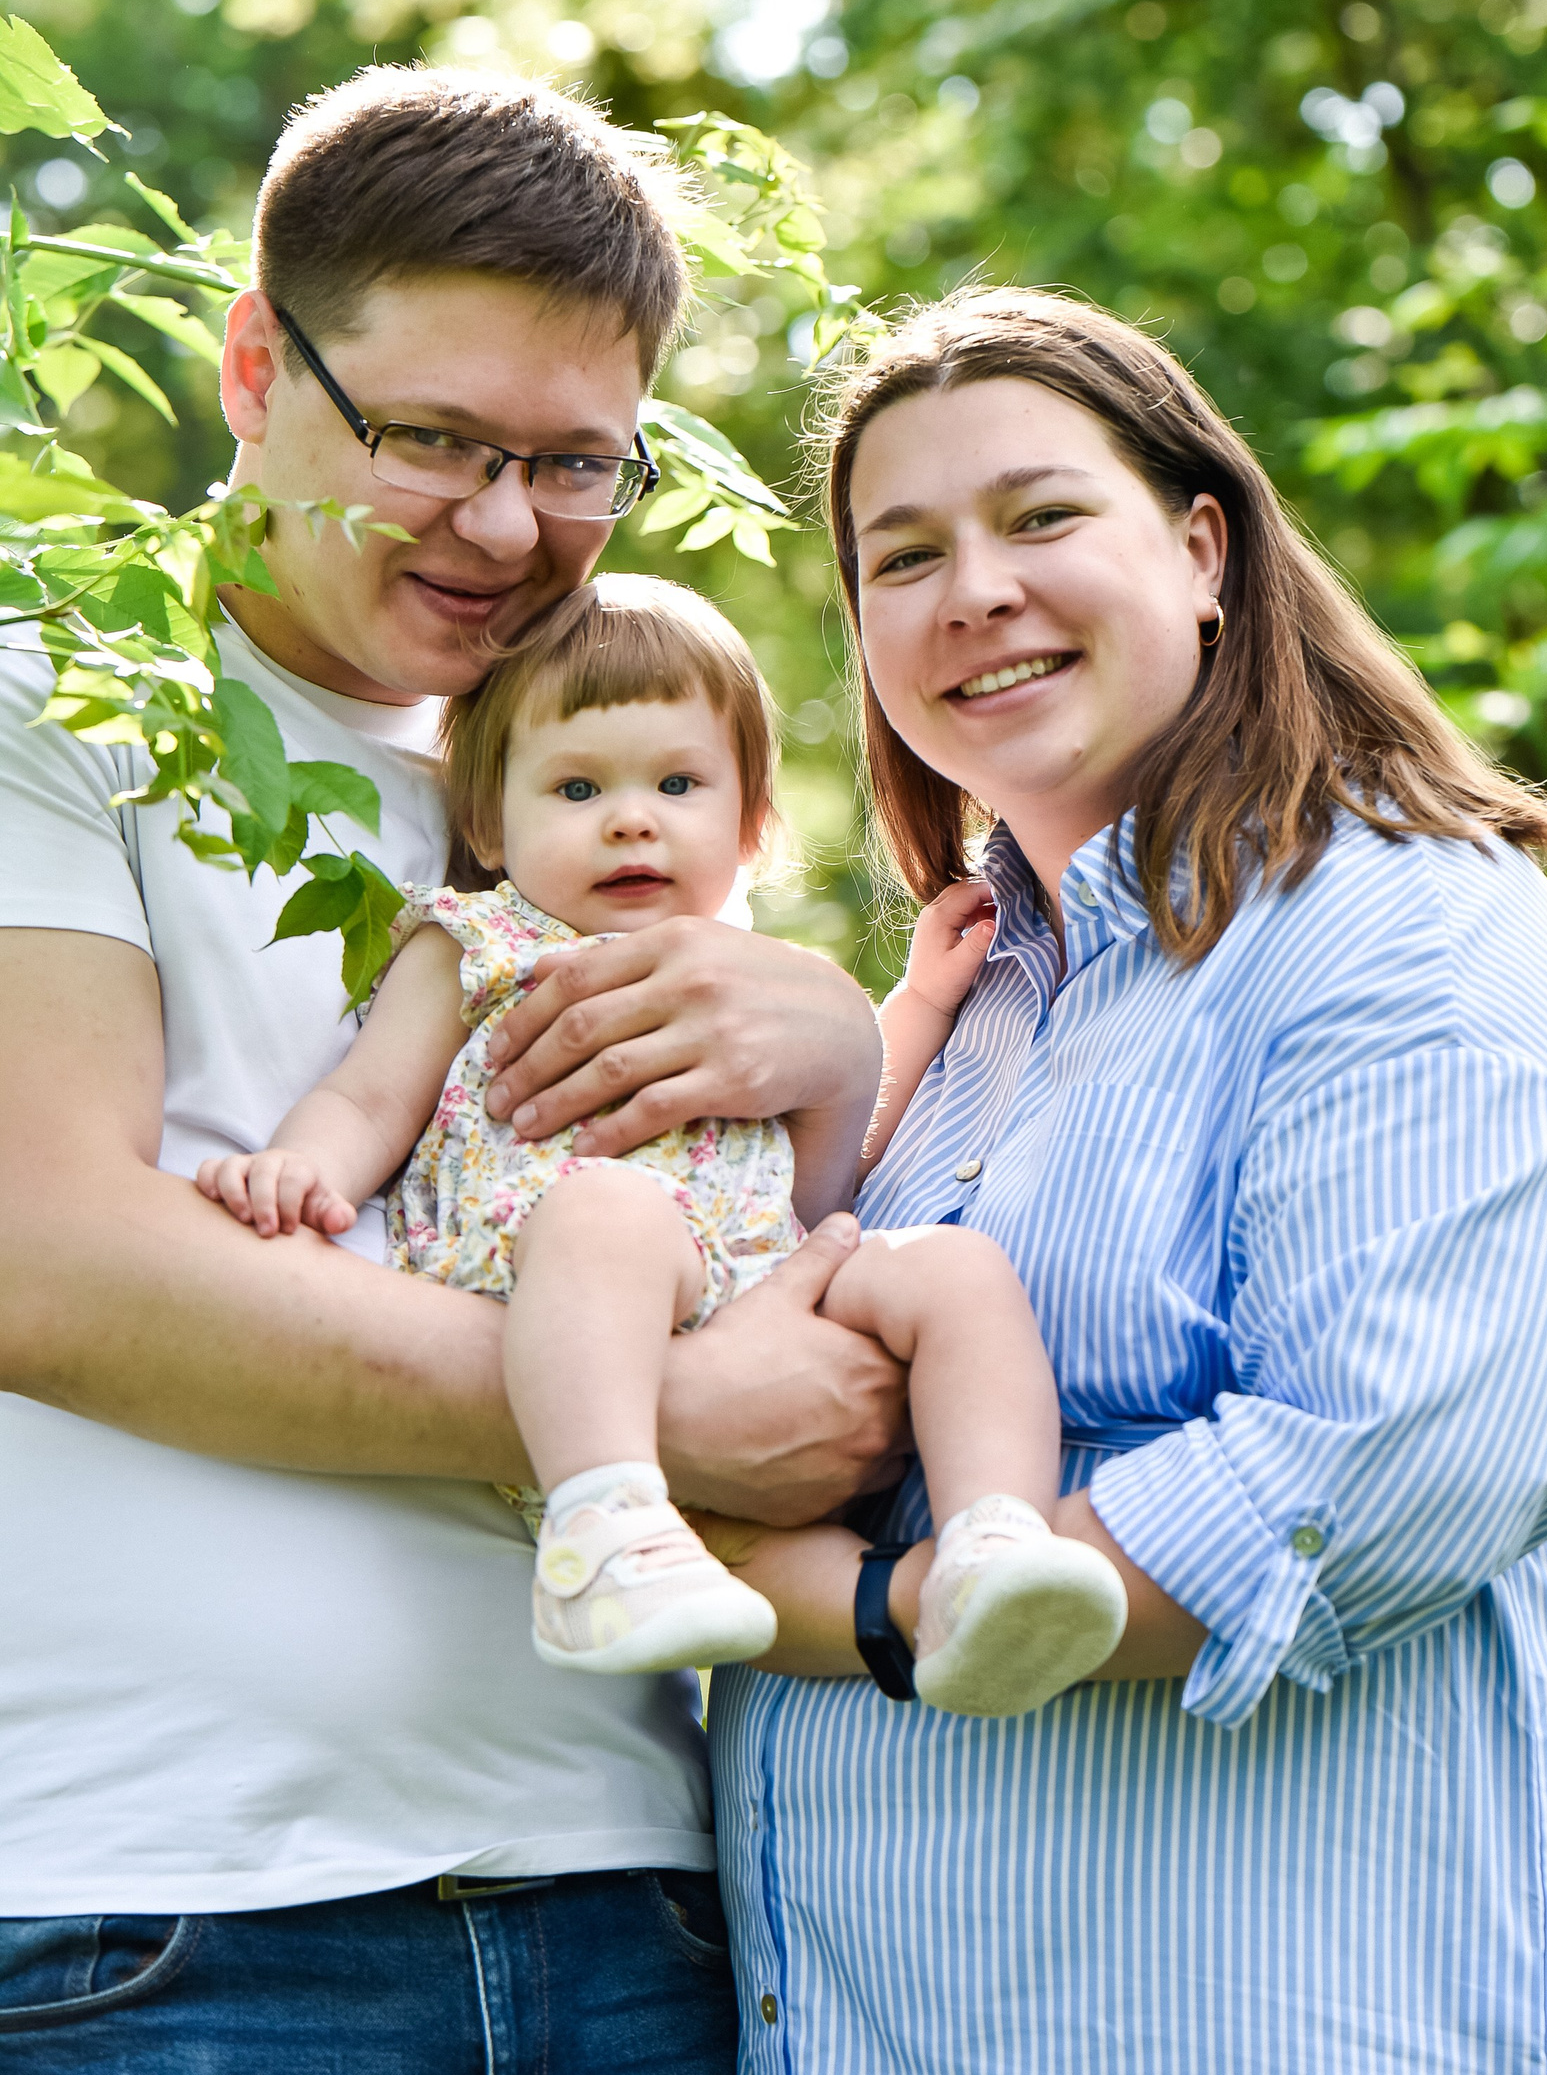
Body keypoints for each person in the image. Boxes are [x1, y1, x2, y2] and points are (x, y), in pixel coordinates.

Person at [701, 287, 1547, 2075]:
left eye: (1041, 517)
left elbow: (1385, 1467)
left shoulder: (1404, 936)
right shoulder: (976, 1012)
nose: (974, 594)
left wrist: (866, 1611)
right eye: (903, 557)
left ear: (1203, 550)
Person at [0, 67, 898, 2075]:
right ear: (254, 367)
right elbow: (48, 1260)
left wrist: (839, 1052)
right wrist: (655, 1419)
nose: (505, 528)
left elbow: (774, 1239)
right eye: (434, 440)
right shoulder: (63, 705)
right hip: (176, 1928)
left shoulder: (607, 789)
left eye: (576, 462)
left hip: (646, 1912)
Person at [199, 573, 1125, 1710]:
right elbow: (369, 1098)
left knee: (954, 1268)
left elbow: (839, 1172)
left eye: (678, 784)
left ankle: (990, 1550)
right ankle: (602, 1529)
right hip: (568, 1336)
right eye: (578, 787)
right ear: (488, 822)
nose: (632, 818)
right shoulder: (482, 942)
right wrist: (305, 1167)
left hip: (758, 1293)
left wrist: (920, 1006)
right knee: (610, 1208)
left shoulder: (756, 979)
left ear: (750, 825)